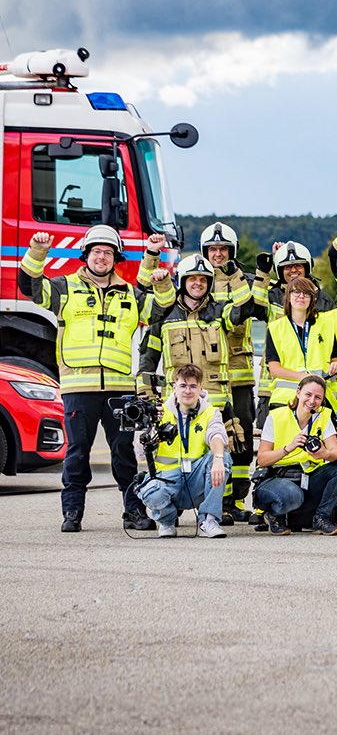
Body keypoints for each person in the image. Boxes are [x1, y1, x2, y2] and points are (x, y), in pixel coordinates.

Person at [19, 222, 170, 533]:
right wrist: (37, 251)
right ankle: (72, 512)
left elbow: (160, 310)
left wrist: (163, 281)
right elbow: (29, 288)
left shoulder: (129, 293)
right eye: (96, 251)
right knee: (77, 453)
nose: (102, 257)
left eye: (108, 253)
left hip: (120, 389)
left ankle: (134, 511)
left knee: (124, 454)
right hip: (78, 387)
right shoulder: (64, 287)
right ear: (85, 254)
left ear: (116, 259)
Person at [200, 220, 258, 522]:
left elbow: (250, 308)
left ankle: (236, 500)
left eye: (223, 249)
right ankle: (215, 499)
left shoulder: (243, 280)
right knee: (213, 435)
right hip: (208, 374)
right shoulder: (196, 279)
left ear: (232, 251)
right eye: (212, 249)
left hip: (239, 371)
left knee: (243, 435)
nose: (218, 254)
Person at [138, 363, 231, 539]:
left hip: (197, 479)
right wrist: (149, 427)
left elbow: (217, 435)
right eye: (183, 386)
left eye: (193, 386)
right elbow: (141, 453)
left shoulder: (210, 412)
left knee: (223, 457)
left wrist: (218, 459)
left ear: (200, 388)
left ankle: (208, 521)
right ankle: (167, 522)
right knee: (150, 490)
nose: (188, 391)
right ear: (174, 387)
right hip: (168, 477)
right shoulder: (160, 412)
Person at [253, 373, 337, 535]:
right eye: (308, 395)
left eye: (318, 397)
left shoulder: (323, 416)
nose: (312, 401)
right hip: (277, 477)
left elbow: (336, 453)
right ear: (298, 393)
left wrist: (324, 453)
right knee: (293, 494)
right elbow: (262, 459)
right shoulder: (277, 416)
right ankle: (274, 514)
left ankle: (321, 518)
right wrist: (288, 448)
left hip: (307, 477)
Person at [142, 253, 231, 411]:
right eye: (192, 279)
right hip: (175, 406)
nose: (198, 283)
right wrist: (146, 396)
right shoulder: (165, 315)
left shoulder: (221, 311)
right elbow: (147, 360)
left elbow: (247, 308)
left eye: (203, 279)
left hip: (216, 407)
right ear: (182, 281)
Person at [263, 276, 337, 409]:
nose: (301, 296)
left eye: (306, 293)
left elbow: (335, 358)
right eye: (296, 292)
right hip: (285, 399)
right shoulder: (275, 328)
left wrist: (336, 364)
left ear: (312, 299)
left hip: (320, 398)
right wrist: (303, 377)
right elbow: (274, 369)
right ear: (288, 297)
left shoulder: (327, 326)